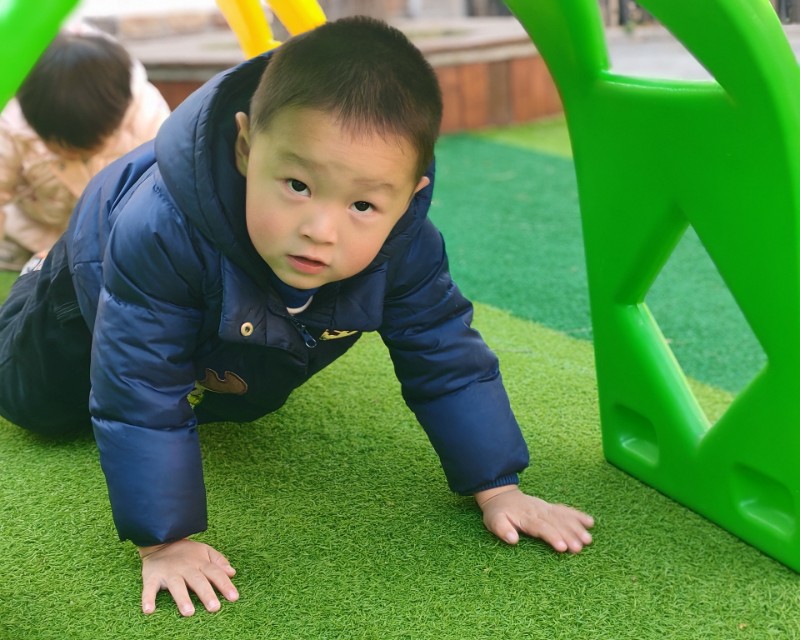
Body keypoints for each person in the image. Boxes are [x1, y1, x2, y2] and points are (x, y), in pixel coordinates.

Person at [0, 16, 594, 617]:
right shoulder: (159, 231)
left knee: (240, 388)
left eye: (362, 204)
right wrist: (166, 542)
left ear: (408, 197)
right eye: (298, 186)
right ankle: (37, 276)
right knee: (36, 406)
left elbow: (445, 354)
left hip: (222, 281)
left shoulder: (405, 247)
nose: (321, 229)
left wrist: (497, 485)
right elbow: (140, 385)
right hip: (94, 274)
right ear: (245, 149)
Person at [0, 25, 170, 271]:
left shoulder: (147, 118)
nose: (72, 155)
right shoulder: (11, 124)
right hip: (38, 225)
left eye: (87, 148)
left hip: (115, 228)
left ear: (117, 120)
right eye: (59, 146)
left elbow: (164, 191)